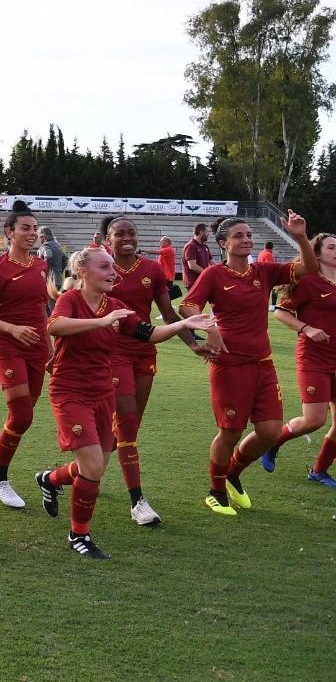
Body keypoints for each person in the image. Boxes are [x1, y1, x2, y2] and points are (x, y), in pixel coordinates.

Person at [34, 249, 214, 559]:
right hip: (69, 391)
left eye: (112, 268)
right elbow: (55, 326)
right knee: (93, 466)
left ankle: (49, 479)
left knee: (96, 465)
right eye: (104, 267)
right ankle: (79, 534)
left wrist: (183, 325)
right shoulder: (71, 300)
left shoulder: (117, 306)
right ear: (83, 271)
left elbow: (150, 333)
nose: (112, 272)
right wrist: (101, 322)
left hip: (103, 392)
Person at [179, 213, 315, 516]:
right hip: (229, 364)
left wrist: (301, 236)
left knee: (269, 431)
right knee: (231, 431)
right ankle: (215, 490)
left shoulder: (263, 271)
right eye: (238, 236)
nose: (246, 240)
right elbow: (187, 305)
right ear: (223, 243)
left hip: (263, 363)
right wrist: (211, 327)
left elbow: (309, 267)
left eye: (249, 235)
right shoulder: (214, 274)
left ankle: (232, 474)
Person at [103, 215, 209, 525]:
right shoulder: (102, 268)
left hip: (145, 350)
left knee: (127, 427)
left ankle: (63, 477)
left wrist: (193, 344)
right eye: (119, 233)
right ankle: (138, 501)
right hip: (113, 353)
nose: (127, 238)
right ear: (107, 240)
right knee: (126, 424)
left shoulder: (151, 269)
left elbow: (167, 312)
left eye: (131, 233)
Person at [0, 202, 53, 511]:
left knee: (20, 418)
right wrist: (13, 329)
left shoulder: (39, 266)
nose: (32, 233)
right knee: (21, 415)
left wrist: (49, 350)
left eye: (35, 228)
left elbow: (42, 311)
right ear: (9, 232)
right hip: (7, 347)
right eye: (25, 228)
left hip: (37, 349)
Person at [264, 232, 336, 485]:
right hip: (314, 358)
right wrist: (307, 328)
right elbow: (281, 312)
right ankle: (272, 443)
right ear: (317, 253)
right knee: (314, 420)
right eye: (331, 247)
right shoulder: (308, 281)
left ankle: (319, 471)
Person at [182, 222, 212, 289]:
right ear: (201, 232)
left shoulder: (205, 246)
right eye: (207, 232)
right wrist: (207, 274)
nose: (208, 234)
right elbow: (192, 266)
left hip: (202, 280)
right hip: (193, 282)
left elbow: (212, 263)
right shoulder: (191, 246)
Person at [39, 228, 67, 292]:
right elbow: (65, 259)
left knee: (47, 301)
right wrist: (59, 270)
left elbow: (48, 256)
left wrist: (43, 270)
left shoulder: (45, 246)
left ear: (42, 237)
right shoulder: (57, 247)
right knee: (53, 300)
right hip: (58, 280)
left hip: (49, 280)